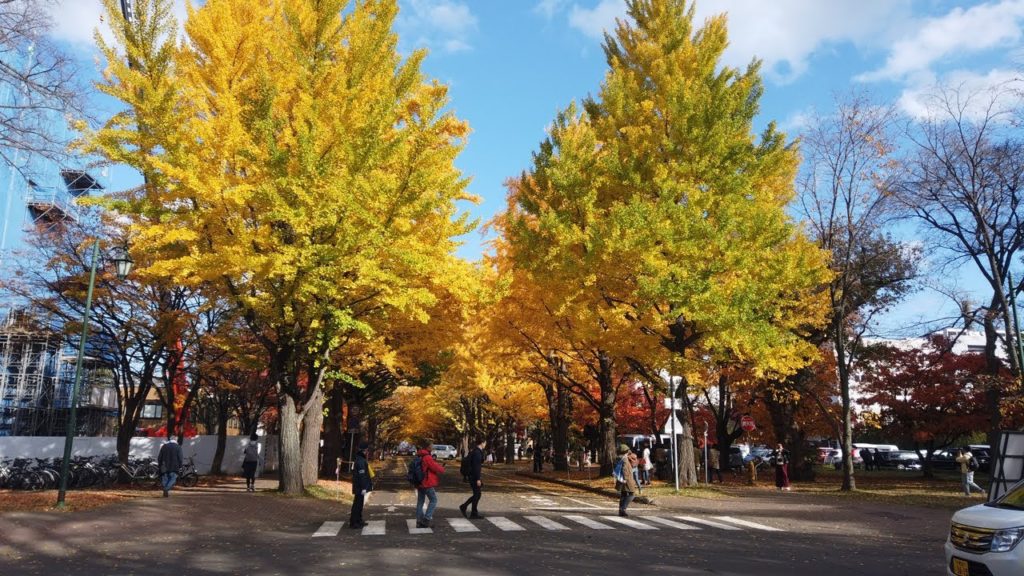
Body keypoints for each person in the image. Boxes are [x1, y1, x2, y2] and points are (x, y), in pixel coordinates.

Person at [414, 442, 447, 528]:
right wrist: (442, 469)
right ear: (428, 447)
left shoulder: (420, 455)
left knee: (420, 502)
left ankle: (419, 521)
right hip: (426, 482)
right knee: (434, 500)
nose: (433, 447)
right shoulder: (427, 457)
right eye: (431, 445)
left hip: (419, 482)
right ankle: (426, 519)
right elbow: (434, 467)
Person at [459, 438, 486, 519]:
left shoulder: (474, 451)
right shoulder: (477, 453)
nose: (485, 444)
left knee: (477, 494)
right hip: (474, 476)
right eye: (485, 443)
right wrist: (478, 479)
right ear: (482, 442)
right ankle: (466, 507)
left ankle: (472, 511)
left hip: (472, 475)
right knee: (477, 494)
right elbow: (476, 467)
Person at [349, 441, 373, 529]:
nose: (368, 452)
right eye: (367, 450)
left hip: (359, 486)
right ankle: (355, 521)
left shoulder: (359, 459)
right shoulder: (361, 461)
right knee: (357, 504)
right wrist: (364, 487)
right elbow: (362, 475)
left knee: (359, 503)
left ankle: (358, 520)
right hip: (359, 486)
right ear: (364, 451)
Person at [615, 444, 640, 517]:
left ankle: (621, 510)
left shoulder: (620, 458)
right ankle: (623, 509)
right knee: (632, 494)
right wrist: (625, 478)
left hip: (621, 479)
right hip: (627, 479)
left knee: (624, 494)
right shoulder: (625, 458)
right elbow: (625, 469)